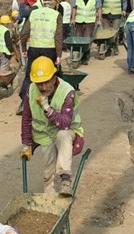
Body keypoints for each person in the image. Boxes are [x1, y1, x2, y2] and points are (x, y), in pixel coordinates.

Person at [20, 57, 85, 194]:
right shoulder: (31, 90)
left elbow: (65, 124)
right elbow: (26, 117)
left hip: (67, 131)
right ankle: (49, 192)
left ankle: (65, 179)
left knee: (63, 135)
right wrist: (26, 143)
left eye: (47, 82)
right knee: (48, 156)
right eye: (39, 84)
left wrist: (47, 108)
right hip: (44, 136)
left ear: (54, 77)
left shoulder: (67, 92)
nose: (43, 88)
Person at [17, 0, 62, 113]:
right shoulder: (56, 15)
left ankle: (24, 104)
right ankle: (47, 104)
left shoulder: (34, 13)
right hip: (49, 49)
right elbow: (58, 37)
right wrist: (59, 55)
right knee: (50, 76)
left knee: (29, 76)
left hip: (34, 49)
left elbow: (24, 33)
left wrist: (24, 49)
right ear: (55, 3)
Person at [73, 0, 97, 64]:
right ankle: (78, 55)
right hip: (79, 21)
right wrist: (73, 19)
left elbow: (99, 8)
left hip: (90, 21)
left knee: (87, 39)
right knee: (78, 38)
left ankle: (85, 56)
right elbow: (74, 8)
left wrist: (99, 19)